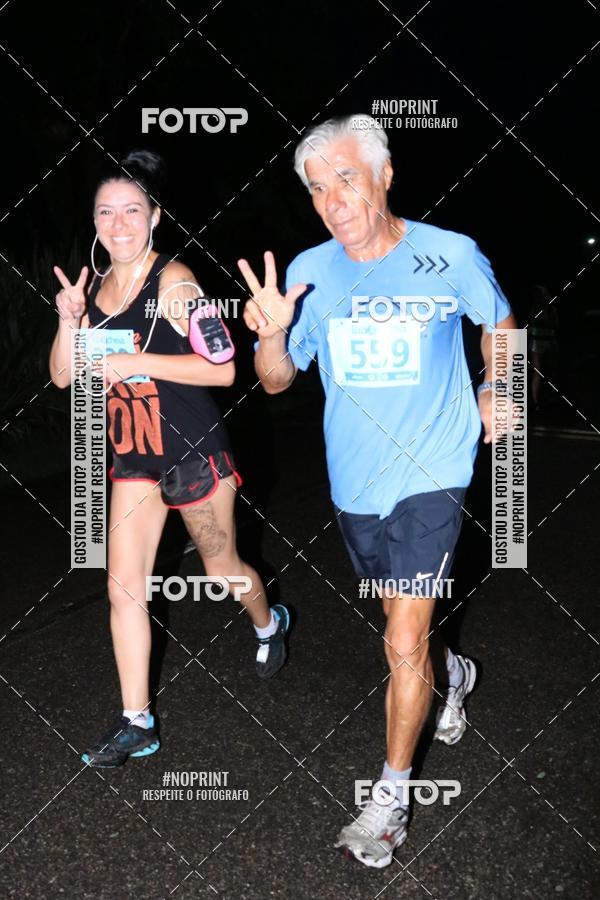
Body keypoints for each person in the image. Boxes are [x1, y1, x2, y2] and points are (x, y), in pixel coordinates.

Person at [238, 115, 516, 868]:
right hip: (355, 483)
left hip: (434, 469)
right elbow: (276, 380)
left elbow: (502, 326)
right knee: (407, 635)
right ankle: (453, 673)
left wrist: (499, 387)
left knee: (401, 638)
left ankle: (389, 802)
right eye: (317, 188)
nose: (332, 201)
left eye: (346, 180)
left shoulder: (448, 254)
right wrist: (269, 333)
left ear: (385, 176)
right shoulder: (309, 272)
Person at [49, 150, 290, 768]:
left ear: (154, 216)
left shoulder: (175, 281)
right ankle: (137, 721)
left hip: (191, 453)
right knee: (122, 588)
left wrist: (134, 362)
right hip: (132, 456)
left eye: (132, 210)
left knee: (221, 568)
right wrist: (69, 323)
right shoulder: (95, 290)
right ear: (95, 220)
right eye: (107, 212)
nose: (119, 223)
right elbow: (62, 378)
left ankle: (268, 621)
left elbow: (224, 367)